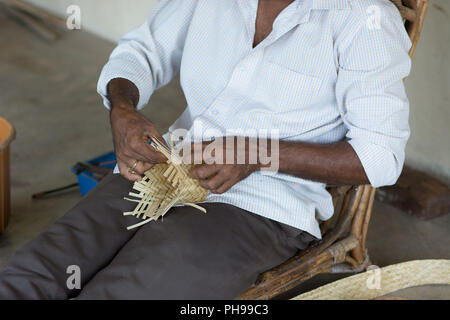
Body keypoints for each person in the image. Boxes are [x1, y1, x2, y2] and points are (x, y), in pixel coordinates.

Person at [0, 0, 411, 299]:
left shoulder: (363, 19)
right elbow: (141, 52)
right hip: (163, 173)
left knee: (126, 290)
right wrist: (122, 108)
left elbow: (381, 157)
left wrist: (256, 155)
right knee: (31, 274)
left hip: (263, 207)